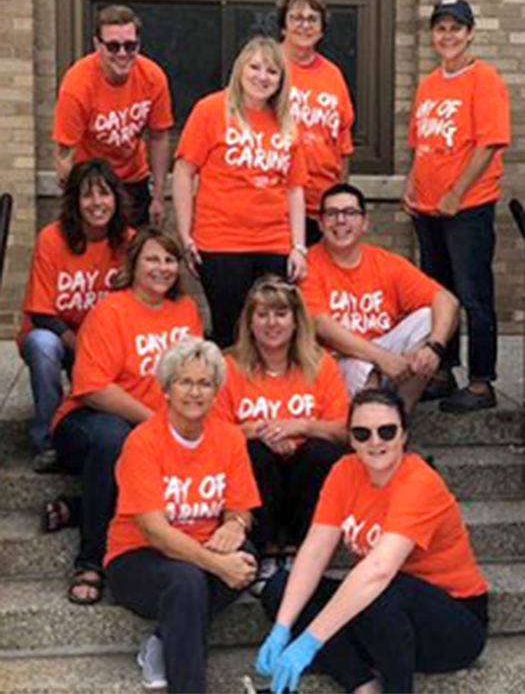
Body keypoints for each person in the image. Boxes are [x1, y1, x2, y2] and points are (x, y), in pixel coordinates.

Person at [256, 387, 488, 694]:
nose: (375, 442)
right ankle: (362, 685)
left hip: (452, 624)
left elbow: (379, 569)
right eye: (362, 434)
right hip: (383, 617)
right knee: (279, 588)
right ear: (351, 439)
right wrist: (283, 627)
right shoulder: (344, 471)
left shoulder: (419, 482)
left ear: (404, 436)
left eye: (387, 431)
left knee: (377, 587)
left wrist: (310, 641)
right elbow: (315, 550)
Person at [51, 227, 203, 605]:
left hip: (156, 427)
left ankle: (80, 506)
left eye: (170, 259)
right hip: (88, 422)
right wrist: (156, 421)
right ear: (133, 264)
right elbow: (94, 388)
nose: (162, 267)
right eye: (152, 258)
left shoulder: (184, 310)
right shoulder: (110, 310)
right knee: (113, 439)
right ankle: (90, 561)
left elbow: (197, 374)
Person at [105, 337, 260, 693]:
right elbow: (155, 531)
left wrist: (236, 525)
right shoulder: (142, 442)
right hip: (137, 559)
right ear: (167, 389)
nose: (195, 392)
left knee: (247, 558)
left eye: (205, 383)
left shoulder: (229, 438)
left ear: (216, 391)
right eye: (185, 382)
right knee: (187, 580)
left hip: (197, 553)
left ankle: (162, 640)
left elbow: (241, 506)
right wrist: (216, 563)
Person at [403, 0, 511, 413]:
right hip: (428, 209)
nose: (447, 35)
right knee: (439, 294)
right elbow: (421, 143)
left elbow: (488, 144)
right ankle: (444, 372)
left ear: (469, 32)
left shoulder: (484, 80)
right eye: (441, 28)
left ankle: (482, 383)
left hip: (467, 208)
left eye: (456, 28)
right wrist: (412, 184)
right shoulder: (430, 83)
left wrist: (456, 193)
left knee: (473, 294)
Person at [173, 35, 308, 348]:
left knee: (272, 333)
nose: (262, 77)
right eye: (255, 67)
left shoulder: (286, 122)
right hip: (221, 242)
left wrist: (298, 247)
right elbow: (183, 171)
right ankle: (229, 396)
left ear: (281, 79)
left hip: (273, 244)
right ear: (240, 69)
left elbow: (294, 189)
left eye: (272, 71)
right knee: (230, 331)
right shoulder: (210, 110)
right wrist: (185, 234)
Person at [214, 275, 349, 577]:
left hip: (304, 470)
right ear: (249, 323)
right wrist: (261, 431)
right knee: (254, 452)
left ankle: (300, 548)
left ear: (296, 321)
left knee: (321, 452)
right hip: (257, 473)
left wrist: (299, 427)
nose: (271, 323)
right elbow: (213, 435)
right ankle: (266, 548)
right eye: (262, 314)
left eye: (280, 313)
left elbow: (343, 431)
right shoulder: (228, 366)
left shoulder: (321, 363)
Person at [301, 183, 459, 409]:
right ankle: (369, 431)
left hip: (387, 357)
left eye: (350, 213)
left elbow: (447, 300)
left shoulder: (384, 262)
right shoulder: (309, 264)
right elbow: (321, 325)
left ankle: (400, 420)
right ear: (321, 224)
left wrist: (433, 348)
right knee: (361, 366)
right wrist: (381, 359)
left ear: (364, 223)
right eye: (332, 213)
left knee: (433, 317)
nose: (341, 220)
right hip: (336, 361)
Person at [18, 159, 131, 474]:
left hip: (106, 343)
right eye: (87, 195)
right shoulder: (52, 239)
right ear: (74, 203)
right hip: (60, 335)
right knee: (42, 345)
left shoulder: (129, 242)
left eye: (104, 194)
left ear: (116, 198)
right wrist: (84, 348)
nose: (97, 203)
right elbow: (41, 314)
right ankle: (48, 439)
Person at [53, 5, 174, 227]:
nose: (122, 54)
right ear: (97, 45)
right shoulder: (77, 85)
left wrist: (158, 197)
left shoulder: (153, 77)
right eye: (113, 46)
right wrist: (74, 202)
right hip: (90, 181)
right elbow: (64, 153)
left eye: (130, 46)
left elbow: (159, 136)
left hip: (133, 178)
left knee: (135, 251)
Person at [277, 0, 355, 244]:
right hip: (276, 204)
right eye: (296, 17)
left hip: (321, 206)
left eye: (312, 19)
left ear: (321, 29)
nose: (304, 25)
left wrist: (338, 202)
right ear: (283, 26)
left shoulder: (333, 75)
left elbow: (342, 145)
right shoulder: (266, 68)